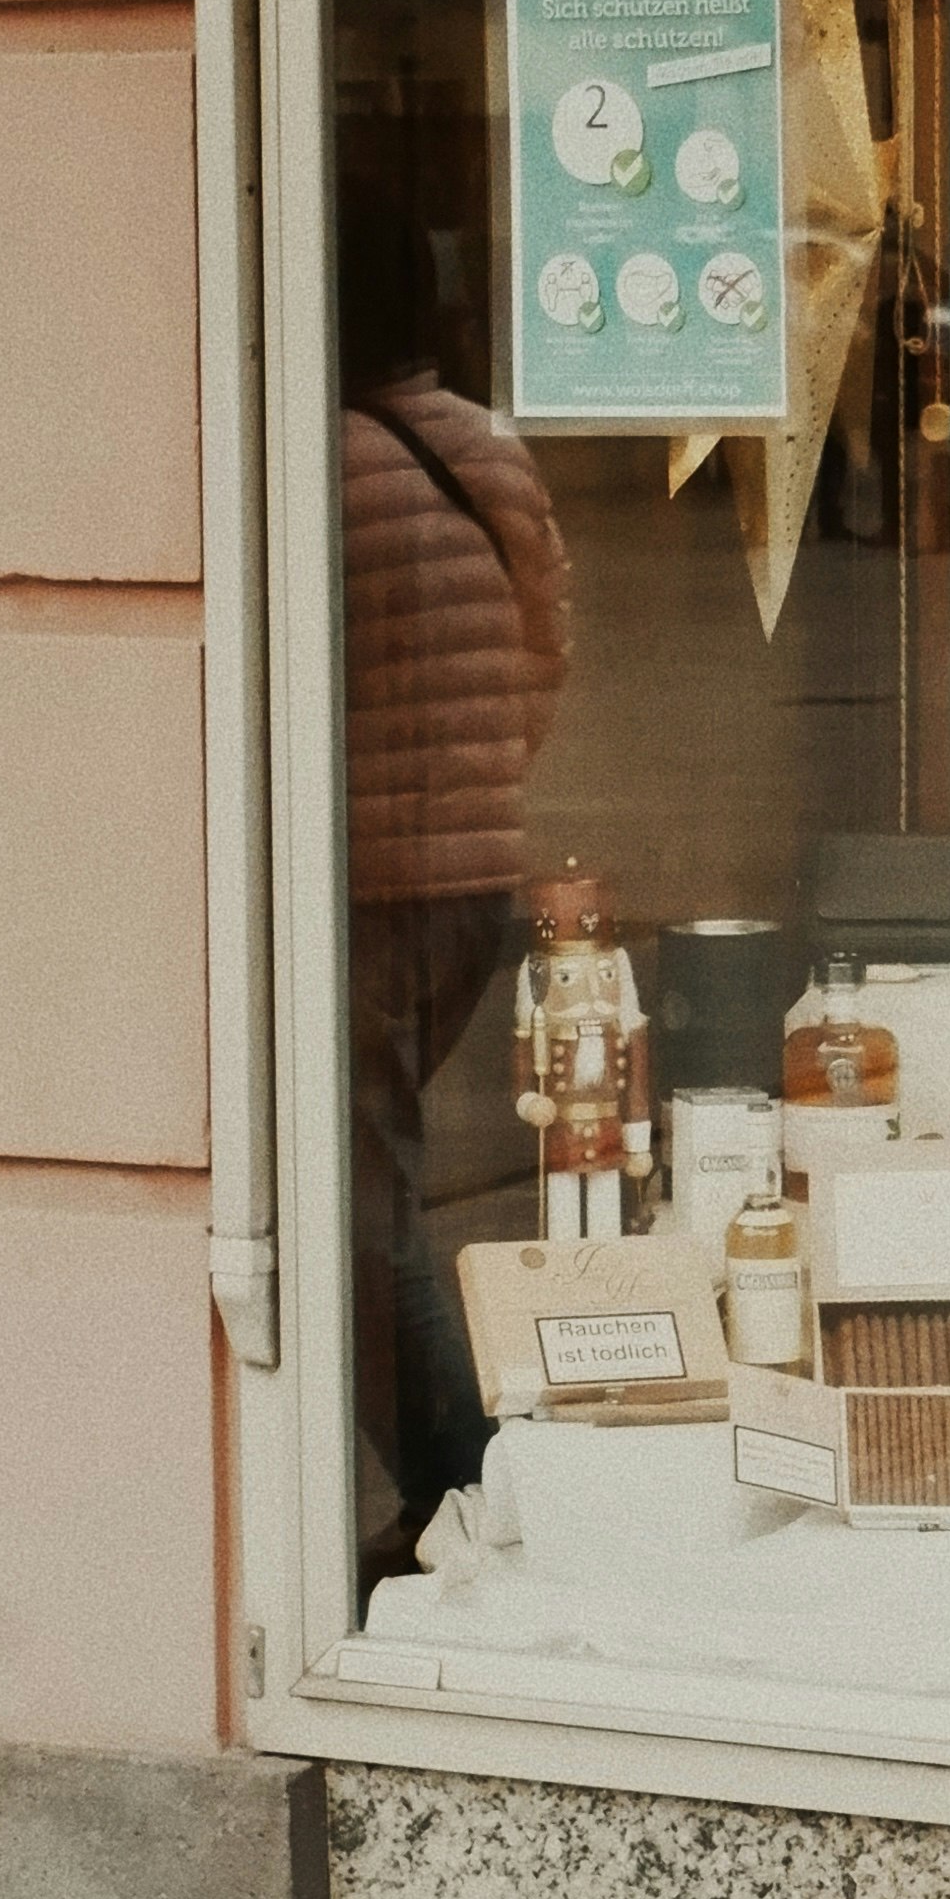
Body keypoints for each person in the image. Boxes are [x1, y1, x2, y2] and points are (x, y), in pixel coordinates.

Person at [338, 189, 572, 1580]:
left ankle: (469, 1496)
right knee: (371, 1190)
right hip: (473, 882)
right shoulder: (486, 449)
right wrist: (477, 786)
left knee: (362, 1214)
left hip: (367, 892)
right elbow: (546, 660)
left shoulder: (321, 465)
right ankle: (444, 1495)